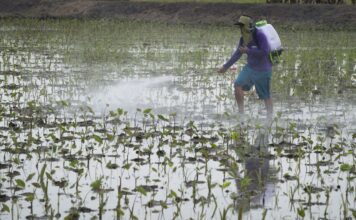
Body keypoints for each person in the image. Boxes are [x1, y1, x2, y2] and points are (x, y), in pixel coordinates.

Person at [218, 15, 273, 118]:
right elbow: (237, 54)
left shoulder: (260, 35)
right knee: (238, 84)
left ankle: (270, 118)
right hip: (251, 68)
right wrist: (225, 67)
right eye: (239, 26)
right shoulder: (243, 39)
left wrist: (248, 51)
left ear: (248, 26)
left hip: (263, 69)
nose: (240, 29)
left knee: (265, 95)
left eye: (242, 26)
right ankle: (241, 114)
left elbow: (265, 52)